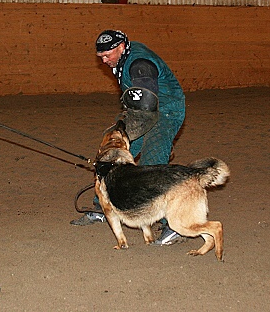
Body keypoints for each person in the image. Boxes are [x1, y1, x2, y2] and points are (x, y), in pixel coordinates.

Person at [71, 30, 186, 246]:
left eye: (108, 56)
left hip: (165, 111)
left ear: (121, 48)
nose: (104, 61)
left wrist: (128, 135)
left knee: (153, 161)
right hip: (142, 109)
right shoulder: (122, 58)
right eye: (101, 57)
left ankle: (172, 222)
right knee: (110, 158)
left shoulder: (140, 65)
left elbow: (147, 109)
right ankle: (104, 206)